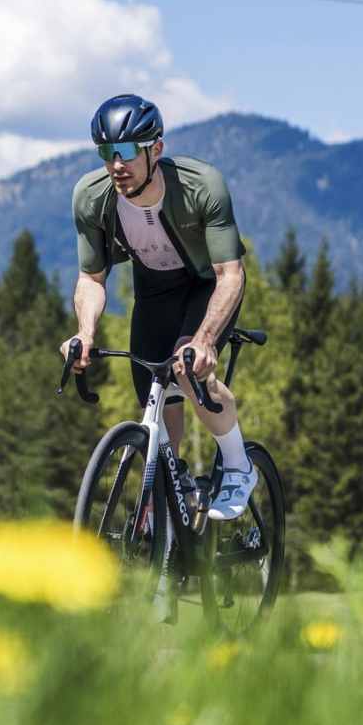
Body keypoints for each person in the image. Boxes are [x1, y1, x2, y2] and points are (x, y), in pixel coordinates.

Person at [60, 94, 256, 520]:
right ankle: (170, 492)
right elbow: (91, 279)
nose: (117, 164)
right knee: (153, 389)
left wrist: (204, 340)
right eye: (107, 152)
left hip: (208, 286)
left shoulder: (201, 186)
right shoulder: (91, 198)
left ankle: (239, 465)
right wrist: (85, 334)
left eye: (128, 151)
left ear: (156, 149)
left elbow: (231, 274)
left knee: (188, 367)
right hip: (155, 293)